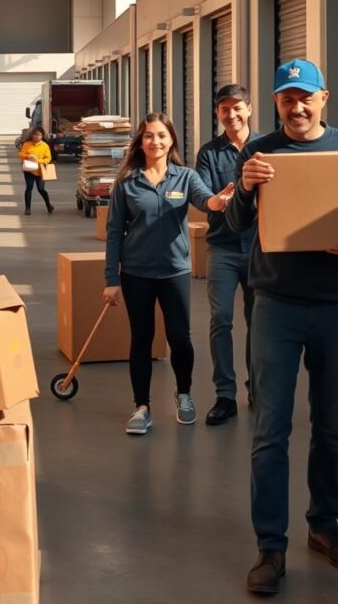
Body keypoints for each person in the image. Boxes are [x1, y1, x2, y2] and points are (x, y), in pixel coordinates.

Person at [227, 59, 338, 596]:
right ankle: (271, 546)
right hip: (274, 304)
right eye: (286, 98)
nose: (296, 107)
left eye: (305, 97)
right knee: (271, 431)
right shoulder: (258, 152)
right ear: (276, 103)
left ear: (324, 98)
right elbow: (234, 227)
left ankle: (325, 525)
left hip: (334, 304)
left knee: (333, 426)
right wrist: (246, 189)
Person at [103, 112, 233, 435]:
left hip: (175, 271)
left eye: (161, 135)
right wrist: (111, 279)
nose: (155, 141)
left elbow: (205, 199)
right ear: (141, 141)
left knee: (179, 337)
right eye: (149, 136)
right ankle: (141, 407)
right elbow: (114, 230)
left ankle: (184, 394)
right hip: (136, 273)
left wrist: (218, 202)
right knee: (141, 339)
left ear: (171, 139)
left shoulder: (185, 177)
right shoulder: (127, 182)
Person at [195, 84, 259, 425]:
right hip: (222, 246)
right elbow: (207, 196)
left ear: (249, 108)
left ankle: (256, 390)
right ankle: (225, 395)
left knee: (258, 321)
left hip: (260, 248)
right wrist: (217, 199)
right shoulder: (209, 153)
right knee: (221, 320)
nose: (231, 115)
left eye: (237, 108)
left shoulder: (266, 148)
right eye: (224, 109)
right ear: (217, 113)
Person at [18, 126, 54, 216]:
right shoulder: (27, 144)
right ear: (32, 135)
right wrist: (27, 156)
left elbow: (48, 158)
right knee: (29, 188)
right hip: (29, 170)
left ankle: (48, 204)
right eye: (34, 135)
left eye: (39, 135)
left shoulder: (45, 146)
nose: (36, 136)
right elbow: (20, 154)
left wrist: (38, 161)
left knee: (41, 189)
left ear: (42, 136)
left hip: (40, 170)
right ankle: (27, 208)